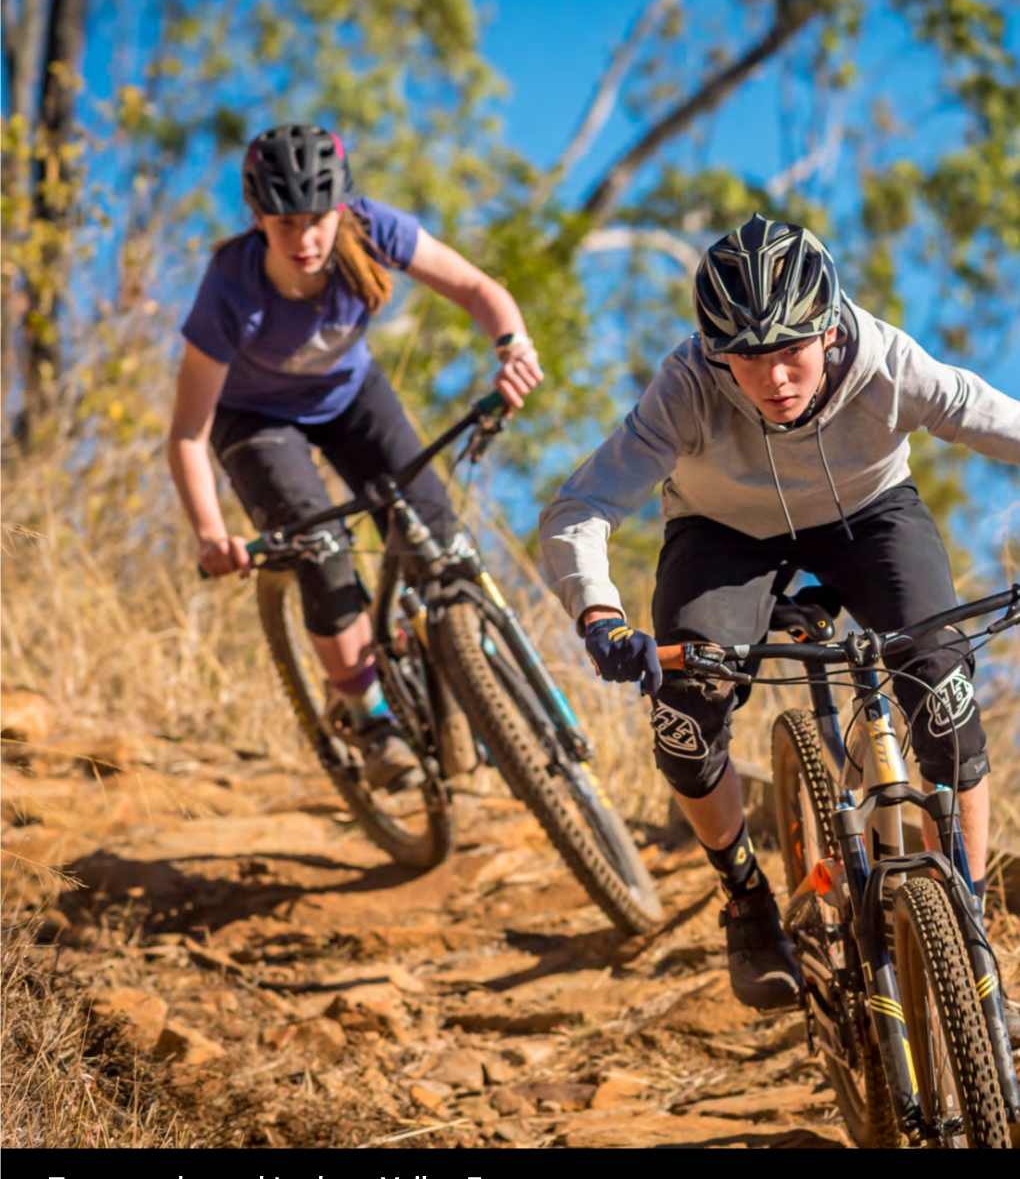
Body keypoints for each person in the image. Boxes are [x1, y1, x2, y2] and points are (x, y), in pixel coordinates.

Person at [539, 212, 1020, 1013]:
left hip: (870, 516)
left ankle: (965, 914)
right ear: (714, 349)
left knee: (941, 687)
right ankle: (746, 898)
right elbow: (581, 504)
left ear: (829, 332)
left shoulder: (886, 362)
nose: (773, 382)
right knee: (685, 717)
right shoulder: (688, 384)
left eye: (791, 352)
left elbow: (997, 420)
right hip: (722, 533)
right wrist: (599, 616)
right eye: (746, 360)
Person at [169, 123, 543, 789]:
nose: (306, 239)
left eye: (318, 219)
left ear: (342, 207)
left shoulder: (371, 230)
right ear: (257, 218)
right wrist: (209, 534)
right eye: (286, 223)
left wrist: (513, 347)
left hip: (351, 399)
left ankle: (471, 685)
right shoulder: (230, 290)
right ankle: (367, 715)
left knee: (438, 538)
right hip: (255, 420)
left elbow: (479, 291)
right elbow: (188, 435)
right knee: (321, 545)